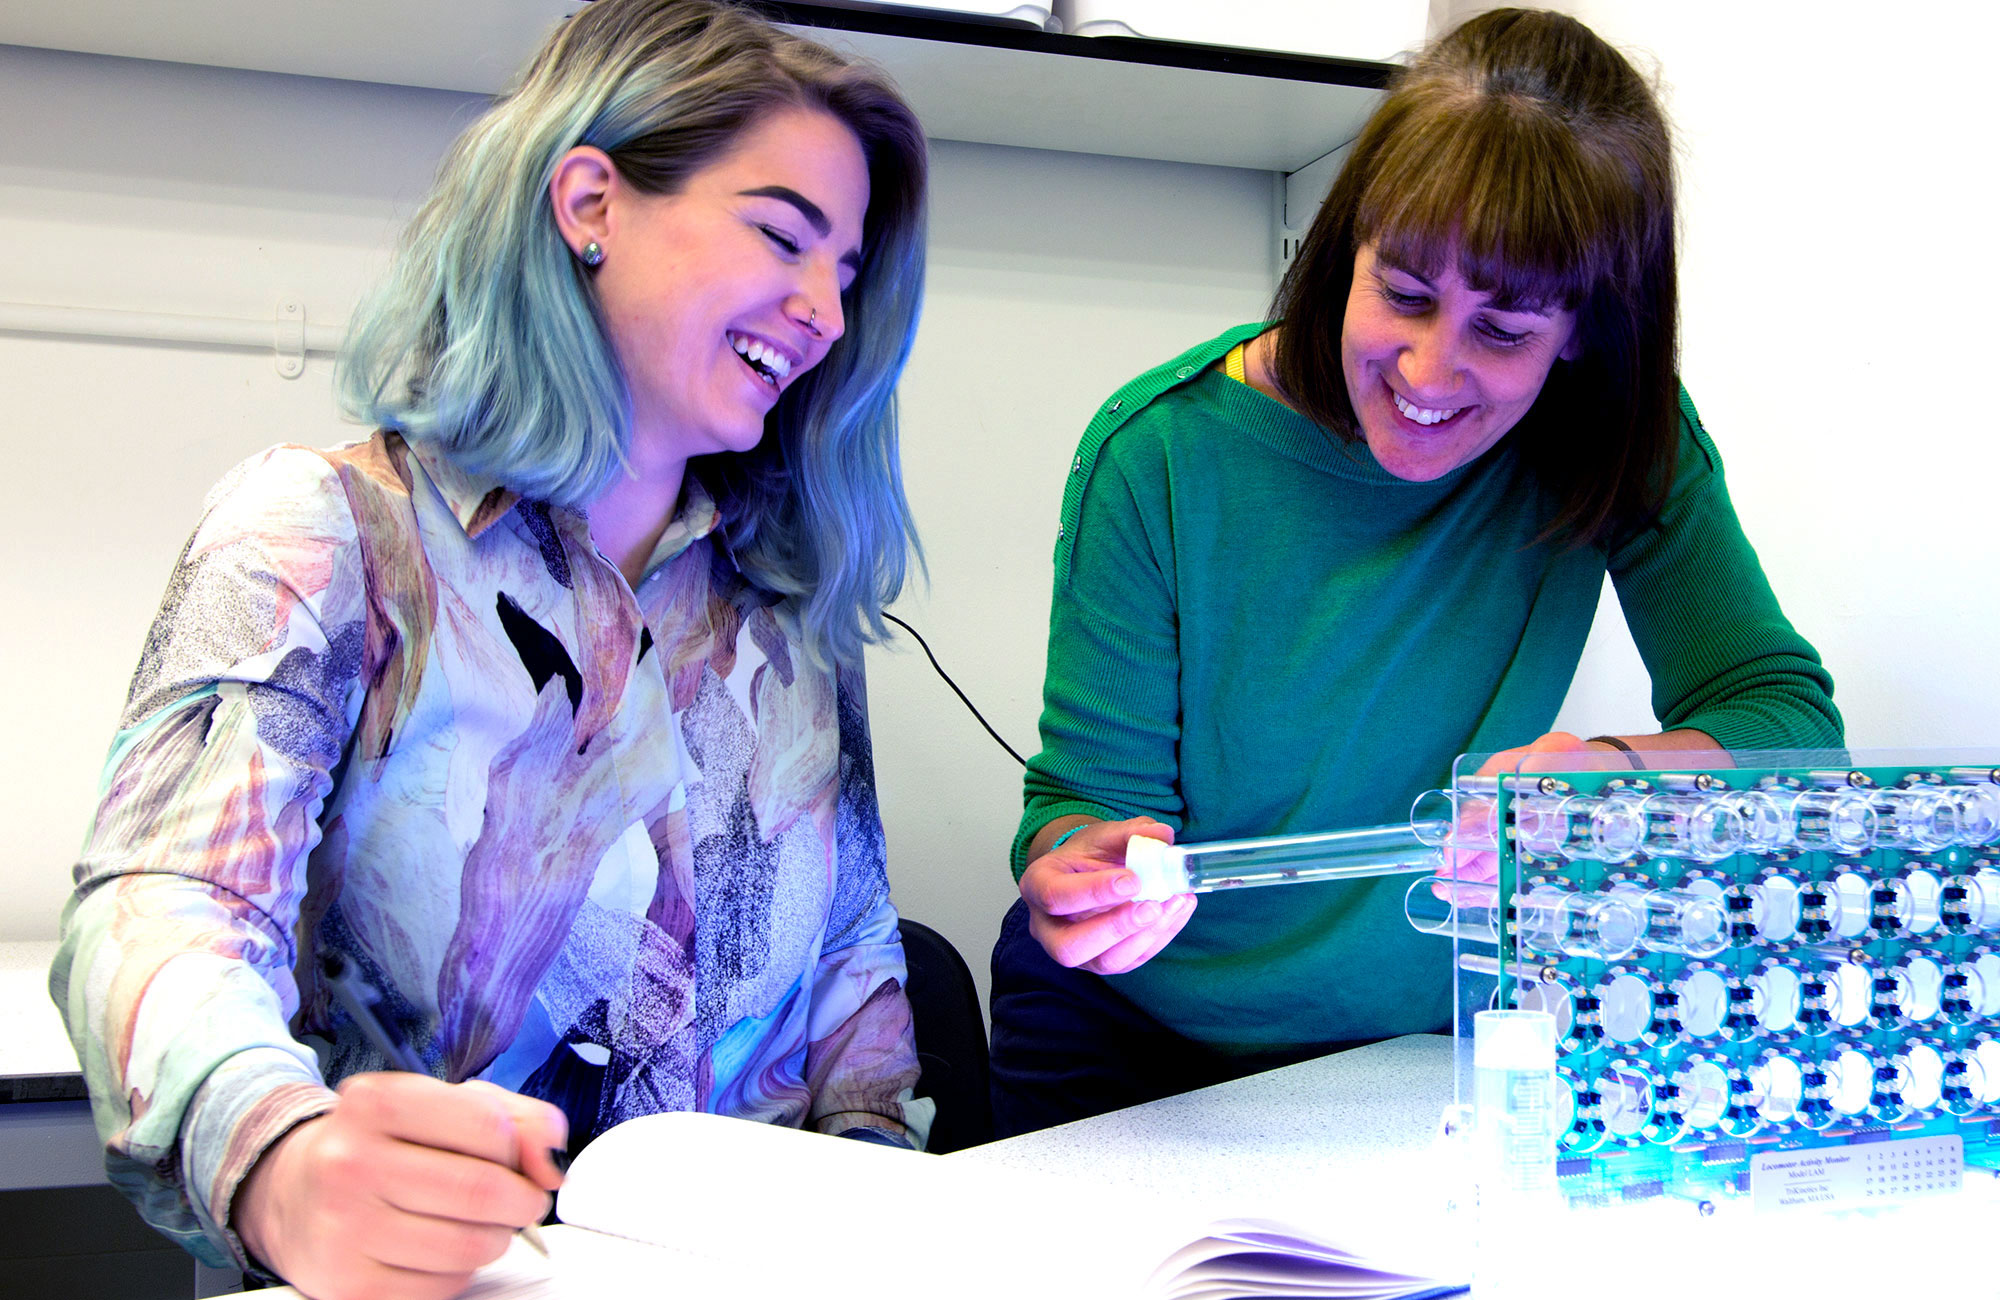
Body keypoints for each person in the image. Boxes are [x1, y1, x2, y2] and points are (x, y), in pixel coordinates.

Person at [49, 1, 932, 1295]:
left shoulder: (784, 608)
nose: (823, 315)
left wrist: (887, 1198)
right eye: (782, 236)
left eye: (846, 273)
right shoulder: (327, 535)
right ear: (589, 202)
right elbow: (166, 906)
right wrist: (275, 1152)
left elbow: (856, 962)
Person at [989, 7, 1842, 1138]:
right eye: (1402, 292)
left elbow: (1788, 724)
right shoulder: (1159, 452)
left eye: (1502, 329)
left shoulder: (1624, 439)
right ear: (1344, 247)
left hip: (1431, 1053)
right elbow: (1080, 806)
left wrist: (1613, 774)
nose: (1428, 369)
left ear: (1584, 331)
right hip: (1135, 1045)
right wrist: (1077, 868)